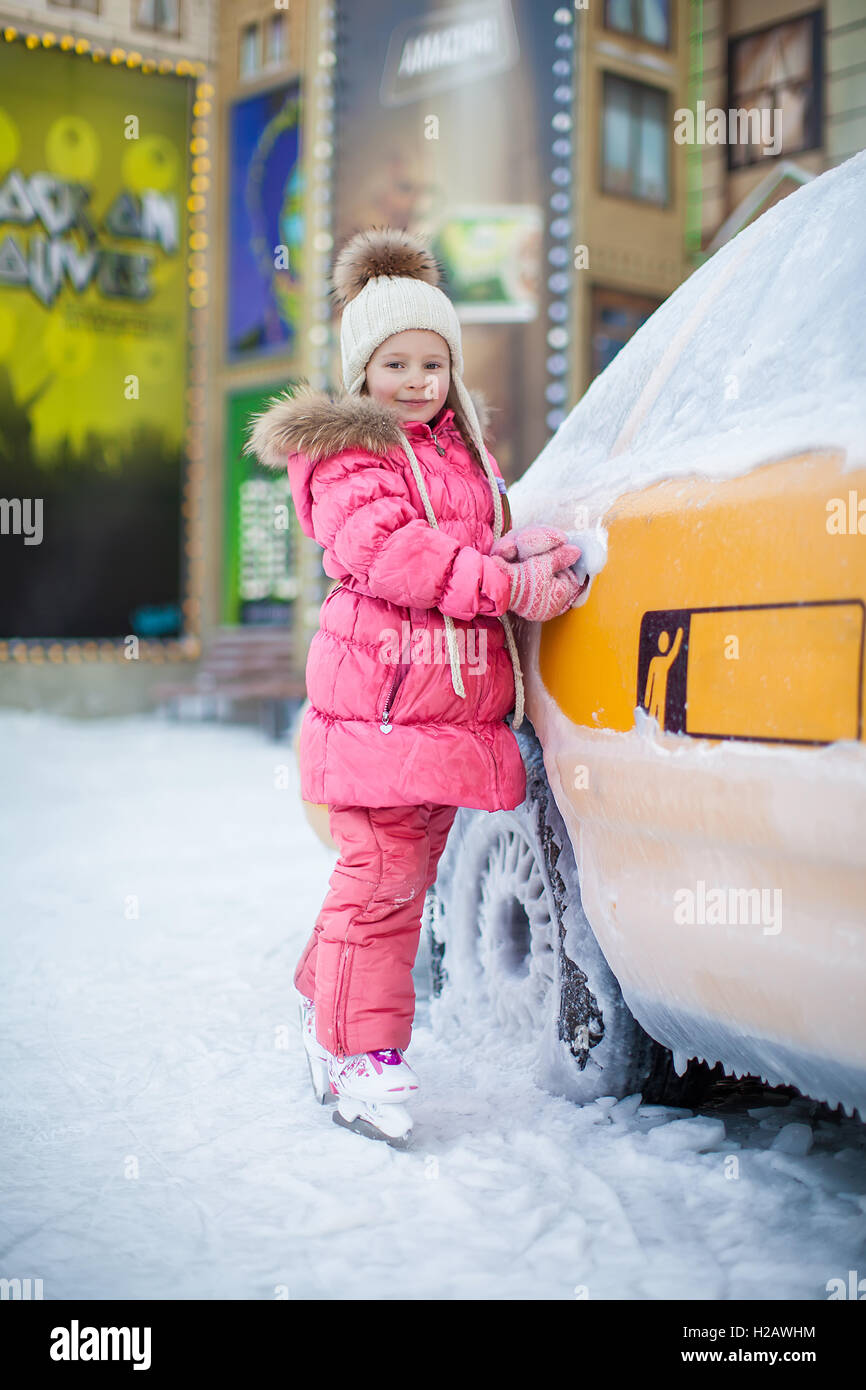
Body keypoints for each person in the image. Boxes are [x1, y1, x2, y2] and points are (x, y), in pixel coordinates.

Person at [244, 226, 584, 1147]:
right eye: (395, 362)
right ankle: (354, 1053)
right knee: (384, 880)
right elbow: (393, 555)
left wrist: (513, 551)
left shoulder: (452, 453)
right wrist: (504, 584)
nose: (417, 381)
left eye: (434, 363)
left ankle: (331, 991)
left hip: (437, 717)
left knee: (394, 879)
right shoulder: (354, 456)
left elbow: (461, 549)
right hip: (381, 710)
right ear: (361, 370)